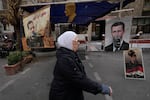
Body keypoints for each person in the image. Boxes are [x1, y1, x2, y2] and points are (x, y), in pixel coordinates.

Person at [49, 31, 112, 100]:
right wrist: (101, 88)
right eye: (76, 41)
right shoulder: (65, 60)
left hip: (70, 94)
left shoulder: (70, 54)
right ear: (69, 43)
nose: (78, 43)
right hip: (63, 96)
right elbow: (79, 79)